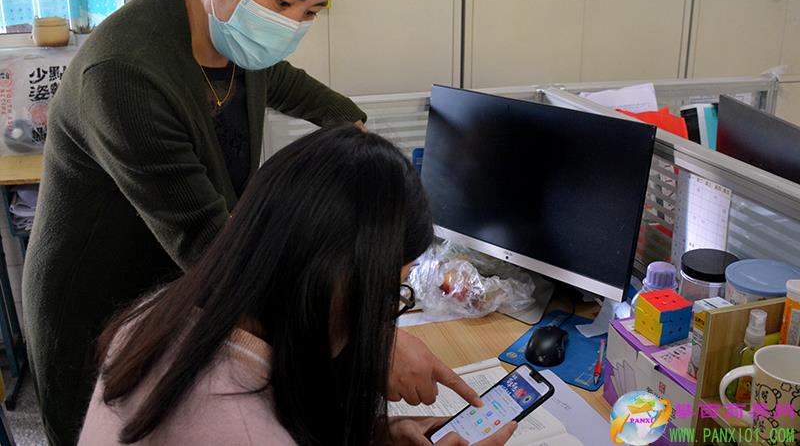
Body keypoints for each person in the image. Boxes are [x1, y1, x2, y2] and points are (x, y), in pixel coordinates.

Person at [22, 0, 477, 444]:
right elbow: (208, 242)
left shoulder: (234, 35)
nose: (291, 26)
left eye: (311, 11)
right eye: (283, 3)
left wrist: (352, 135)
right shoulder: (125, 74)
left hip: (193, 292)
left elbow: (284, 81)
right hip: (110, 302)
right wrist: (371, 338)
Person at [78, 125, 517, 446]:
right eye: (387, 296)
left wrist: (375, 437)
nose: (383, 320)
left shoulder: (157, 317)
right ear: (328, 282)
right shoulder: (240, 429)